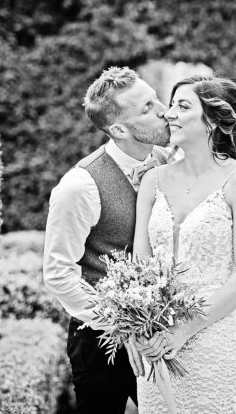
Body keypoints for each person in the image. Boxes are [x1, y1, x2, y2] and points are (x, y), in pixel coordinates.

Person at [133, 74, 236, 413]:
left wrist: (185, 329)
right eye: (172, 104)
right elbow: (141, 262)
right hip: (157, 340)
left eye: (182, 106)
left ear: (210, 121)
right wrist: (141, 323)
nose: (168, 114)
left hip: (215, 338)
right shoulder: (153, 179)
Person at [43, 66, 173, 414]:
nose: (163, 109)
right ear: (118, 128)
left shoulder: (171, 163)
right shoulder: (79, 186)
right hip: (100, 341)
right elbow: (58, 273)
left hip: (162, 332)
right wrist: (121, 324)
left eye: (156, 98)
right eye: (147, 107)